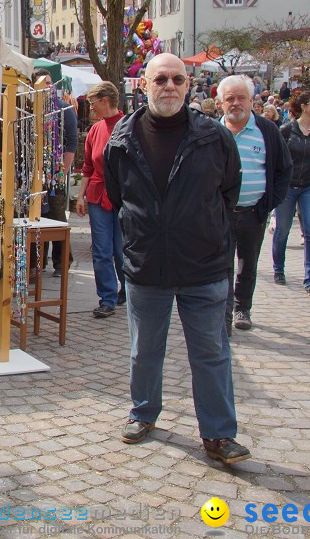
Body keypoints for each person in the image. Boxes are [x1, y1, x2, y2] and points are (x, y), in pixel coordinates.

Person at [104, 53, 248, 464]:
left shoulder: (213, 137)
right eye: (161, 79)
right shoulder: (121, 140)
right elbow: (119, 198)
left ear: (189, 86)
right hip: (147, 264)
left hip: (203, 266)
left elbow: (229, 191)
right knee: (144, 349)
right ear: (144, 85)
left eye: (178, 80)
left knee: (211, 352)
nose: (169, 86)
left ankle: (219, 435)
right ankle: (143, 413)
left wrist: (203, 229)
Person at [219, 75, 291, 333]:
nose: (235, 103)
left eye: (241, 98)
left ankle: (242, 307)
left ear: (252, 101)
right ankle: (224, 316)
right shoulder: (212, 132)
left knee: (247, 265)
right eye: (230, 99)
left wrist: (267, 205)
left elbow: (284, 170)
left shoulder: (268, 131)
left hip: (253, 213)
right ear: (221, 103)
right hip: (220, 215)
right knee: (221, 265)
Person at [273, 91, 310, 296]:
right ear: (304, 106)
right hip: (288, 186)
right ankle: (278, 269)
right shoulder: (286, 130)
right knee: (282, 230)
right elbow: (276, 162)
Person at [75, 81, 125, 318]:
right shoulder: (95, 130)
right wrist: (80, 196)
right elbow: (87, 166)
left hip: (124, 198)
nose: (91, 109)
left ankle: (126, 290)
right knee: (102, 250)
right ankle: (107, 297)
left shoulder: (129, 126)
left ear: (105, 101)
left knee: (122, 249)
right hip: (97, 195)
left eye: (92, 104)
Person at [32, 69, 78, 276]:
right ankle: (37, 261)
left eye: (50, 83)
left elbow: (72, 143)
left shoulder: (64, 109)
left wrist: (62, 174)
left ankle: (61, 262)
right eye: (43, 83)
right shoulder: (29, 109)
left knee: (57, 217)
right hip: (34, 174)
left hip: (55, 173)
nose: (47, 87)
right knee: (35, 217)